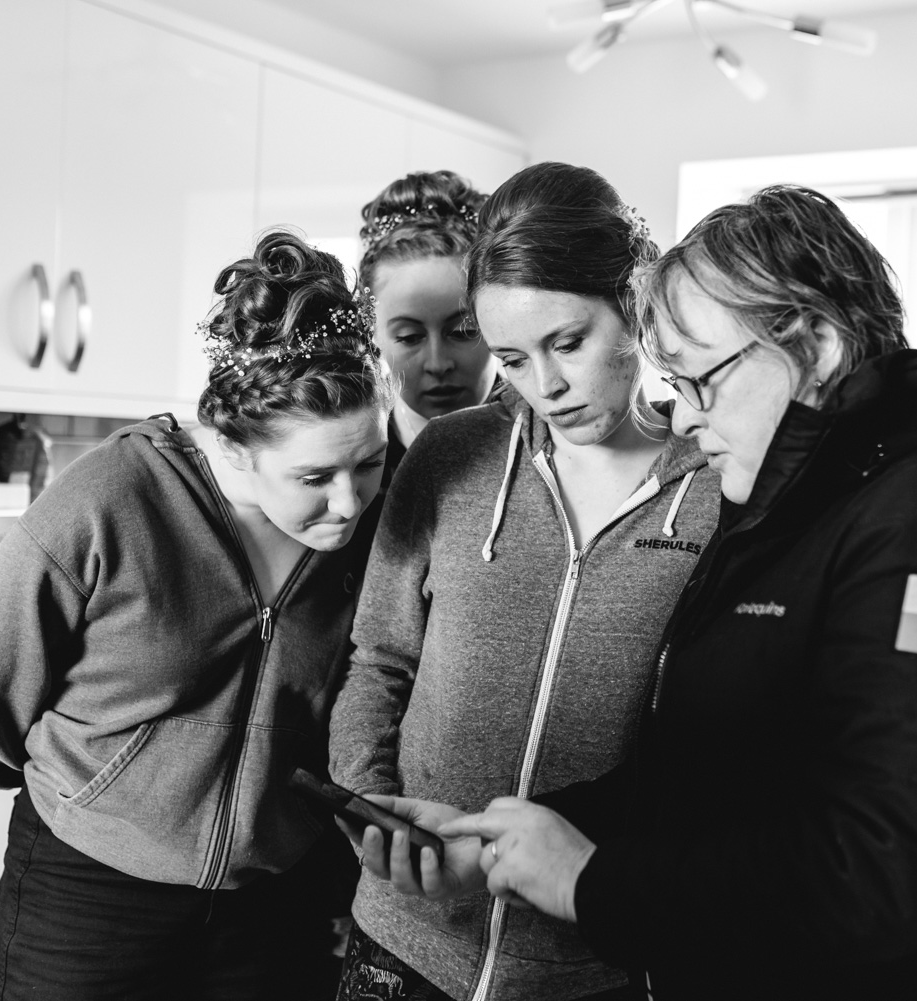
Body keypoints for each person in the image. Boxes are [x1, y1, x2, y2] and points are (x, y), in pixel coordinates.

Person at [433, 186, 917, 999]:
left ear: (821, 345)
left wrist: (592, 880)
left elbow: (876, 874)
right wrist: (510, 836)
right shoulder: (785, 507)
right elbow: (710, 771)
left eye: (702, 381)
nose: (684, 419)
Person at [0, 231, 392, 1001]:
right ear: (231, 444)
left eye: (368, 462)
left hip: (273, 910)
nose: (350, 502)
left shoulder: (375, 522)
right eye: (315, 476)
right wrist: (91, 791)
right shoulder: (108, 500)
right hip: (89, 900)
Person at [326, 162, 721, 1001]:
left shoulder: (719, 488)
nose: (544, 386)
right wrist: (371, 808)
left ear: (636, 301)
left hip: (596, 965)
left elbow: (711, 744)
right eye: (510, 356)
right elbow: (378, 660)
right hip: (400, 949)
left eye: (568, 342)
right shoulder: (450, 457)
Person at [357, 170, 500, 479]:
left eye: (464, 331)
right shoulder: (355, 456)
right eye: (409, 337)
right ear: (373, 334)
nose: (438, 364)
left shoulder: (551, 440)